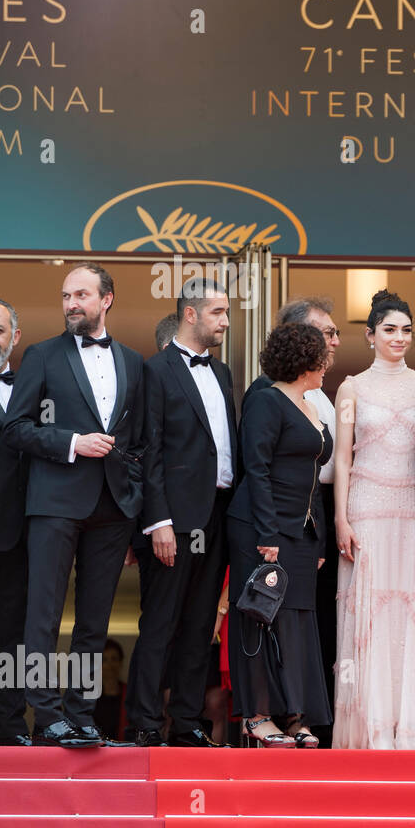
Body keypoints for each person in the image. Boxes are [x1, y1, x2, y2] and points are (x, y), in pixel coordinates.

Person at [3, 263, 147, 749]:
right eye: (66, 296)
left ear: (106, 299)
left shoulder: (132, 361)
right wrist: (71, 442)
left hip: (112, 507)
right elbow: (15, 428)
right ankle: (45, 715)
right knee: (43, 613)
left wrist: (135, 510)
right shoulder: (42, 355)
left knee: (95, 618)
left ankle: (81, 715)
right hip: (54, 502)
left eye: (81, 295)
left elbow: (139, 444)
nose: (71, 304)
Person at [332, 290, 415, 750]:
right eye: (389, 329)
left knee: (413, 618)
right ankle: (370, 733)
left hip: (414, 509)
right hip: (367, 510)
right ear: (370, 335)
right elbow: (341, 459)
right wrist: (341, 519)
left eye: (405, 330)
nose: (399, 337)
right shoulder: (351, 387)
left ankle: (414, 734)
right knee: (371, 618)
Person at [128, 277, 237, 748]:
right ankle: (145, 722)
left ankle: (188, 723)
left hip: (219, 512)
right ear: (191, 314)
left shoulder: (224, 372)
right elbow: (146, 452)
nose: (226, 321)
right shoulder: (154, 371)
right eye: (218, 312)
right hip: (174, 517)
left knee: (199, 623)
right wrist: (158, 522)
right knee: (161, 621)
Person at [227, 323, 332, 748]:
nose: (328, 365)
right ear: (307, 362)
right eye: (323, 358)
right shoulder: (267, 401)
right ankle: (257, 716)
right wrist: (268, 533)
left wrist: (319, 538)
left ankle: (295, 715)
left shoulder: (309, 404)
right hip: (260, 527)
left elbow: (314, 478)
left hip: (302, 532)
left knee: (298, 620)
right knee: (260, 616)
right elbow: (258, 469)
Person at [0, 298, 29, 746]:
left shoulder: (32, 388)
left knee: (15, 635)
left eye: (0, 330)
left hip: (19, 534)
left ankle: (8, 726)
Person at [92, 638, 128, 740]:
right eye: (105, 660)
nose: (109, 665)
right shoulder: (90, 695)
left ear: (121, 662)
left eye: (114, 659)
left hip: (125, 750)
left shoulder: (130, 694)